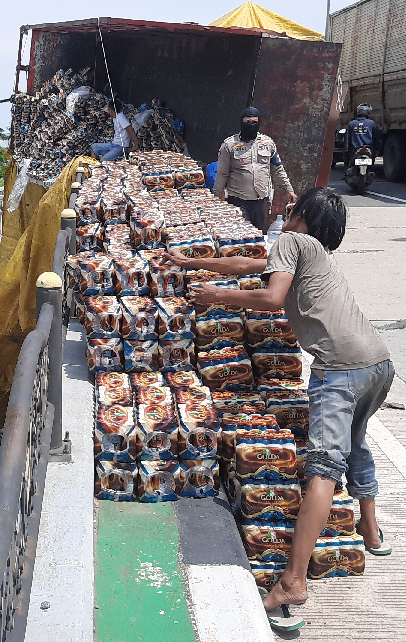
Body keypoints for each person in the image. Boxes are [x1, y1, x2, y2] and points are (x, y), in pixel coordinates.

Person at [165, 187, 394, 614]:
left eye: (294, 208)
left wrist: (217, 296)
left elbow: (271, 298)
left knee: (323, 470)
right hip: (378, 365)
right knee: (356, 444)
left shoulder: (292, 241)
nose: (287, 212)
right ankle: (370, 529)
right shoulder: (316, 254)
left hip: (339, 370)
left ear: (304, 214)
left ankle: (293, 582)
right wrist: (192, 261)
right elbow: (244, 264)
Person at [212, 107, 297, 232]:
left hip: (260, 201)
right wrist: (215, 196)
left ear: (259, 122)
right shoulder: (229, 145)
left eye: (254, 122)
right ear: (241, 122)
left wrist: (289, 190)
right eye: (247, 122)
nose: (250, 125)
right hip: (237, 200)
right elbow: (222, 173)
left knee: (256, 236)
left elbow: (277, 169)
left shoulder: (268, 143)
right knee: (240, 234)